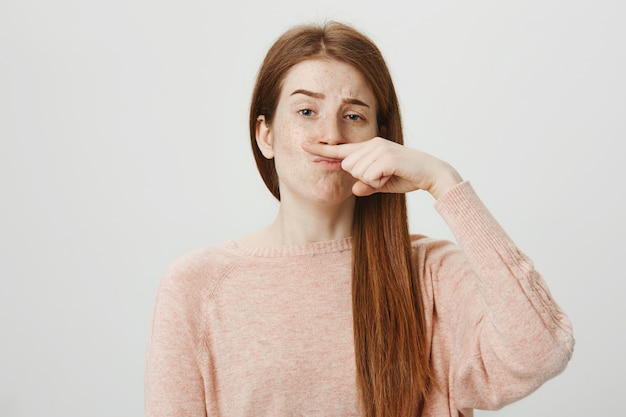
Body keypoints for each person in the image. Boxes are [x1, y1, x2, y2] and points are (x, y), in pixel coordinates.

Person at [144, 21, 574, 417]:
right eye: (306, 111)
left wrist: (445, 183)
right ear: (266, 134)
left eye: (354, 116)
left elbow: (541, 350)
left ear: (380, 138)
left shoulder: (429, 274)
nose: (331, 134)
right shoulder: (197, 285)